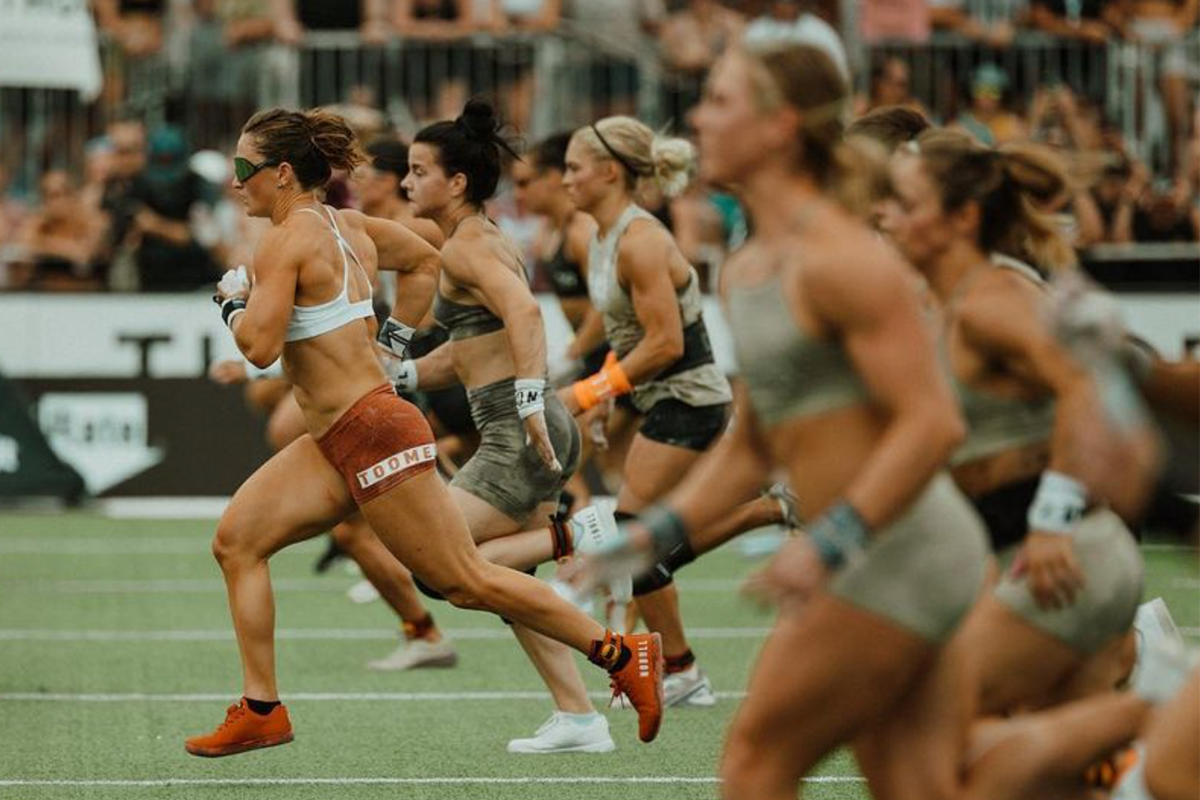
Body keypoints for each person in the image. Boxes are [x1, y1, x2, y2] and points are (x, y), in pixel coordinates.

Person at [184, 106, 663, 758]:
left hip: (372, 431)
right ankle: (262, 708)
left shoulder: (284, 240)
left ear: (284, 172)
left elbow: (260, 348)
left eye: (245, 169)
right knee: (237, 541)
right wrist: (395, 340)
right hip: (340, 434)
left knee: (464, 580)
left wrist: (232, 300)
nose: (237, 183)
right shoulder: (347, 223)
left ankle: (619, 652)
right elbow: (427, 261)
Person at [592, 43, 988, 799]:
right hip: (875, 554)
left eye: (719, 100)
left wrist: (831, 542)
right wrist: (645, 537)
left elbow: (933, 424)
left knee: (754, 765)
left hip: (900, 553)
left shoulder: (844, 259)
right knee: (912, 782)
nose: (698, 117)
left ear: (778, 126)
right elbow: (754, 443)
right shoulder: (746, 266)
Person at [390, 99, 643, 754]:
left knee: (442, 563)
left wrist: (532, 395)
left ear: (457, 183)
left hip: (517, 431)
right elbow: (472, 348)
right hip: (525, 425)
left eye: (418, 171)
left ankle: (584, 533)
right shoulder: (475, 239)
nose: (405, 183)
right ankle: (580, 717)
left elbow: (525, 314)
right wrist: (407, 377)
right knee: (506, 587)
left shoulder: (470, 246)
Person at [887, 131, 1146, 717]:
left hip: (1068, 556)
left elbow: (1087, 384)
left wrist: (1053, 519)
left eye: (906, 205)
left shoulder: (991, 300)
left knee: (938, 720)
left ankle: (1159, 717)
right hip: (1023, 552)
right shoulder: (948, 304)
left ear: (962, 218)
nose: (888, 218)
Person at [559, 114, 735, 707]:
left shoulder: (641, 240)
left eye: (574, 168)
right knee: (642, 533)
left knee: (634, 534)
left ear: (609, 173)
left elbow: (666, 344)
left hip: (690, 397)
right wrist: (609, 392)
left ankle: (681, 668)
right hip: (659, 395)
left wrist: (590, 393)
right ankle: (680, 665)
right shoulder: (604, 237)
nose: (565, 180)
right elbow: (629, 333)